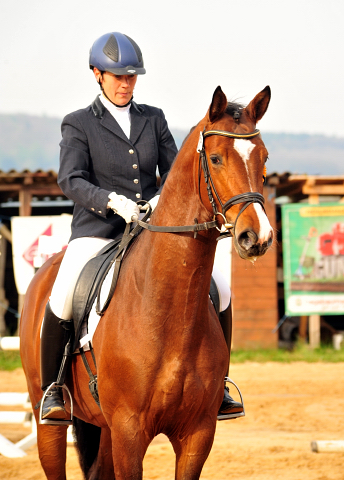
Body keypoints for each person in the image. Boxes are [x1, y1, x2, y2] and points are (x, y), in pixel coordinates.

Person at [40, 31, 243, 422]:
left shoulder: (154, 118)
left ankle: (219, 384)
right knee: (63, 293)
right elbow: (71, 179)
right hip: (97, 231)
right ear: (97, 74)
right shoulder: (79, 123)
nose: (125, 84)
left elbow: (175, 173)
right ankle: (54, 389)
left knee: (221, 286)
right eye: (118, 76)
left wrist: (156, 201)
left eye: (132, 77)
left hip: (153, 230)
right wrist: (110, 201)